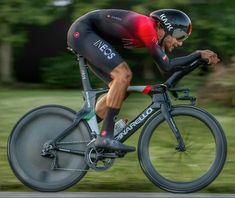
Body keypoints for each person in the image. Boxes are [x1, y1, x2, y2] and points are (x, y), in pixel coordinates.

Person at [67, 9, 220, 153]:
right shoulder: (147, 26)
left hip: (88, 35)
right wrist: (198, 54)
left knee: (121, 89)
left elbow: (168, 72)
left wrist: (199, 62)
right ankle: (106, 136)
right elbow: (167, 66)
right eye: (180, 35)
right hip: (83, 31)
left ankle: (85, 129)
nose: (180, 43)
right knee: (123, 75)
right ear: (165, 26)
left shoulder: (156, 38)